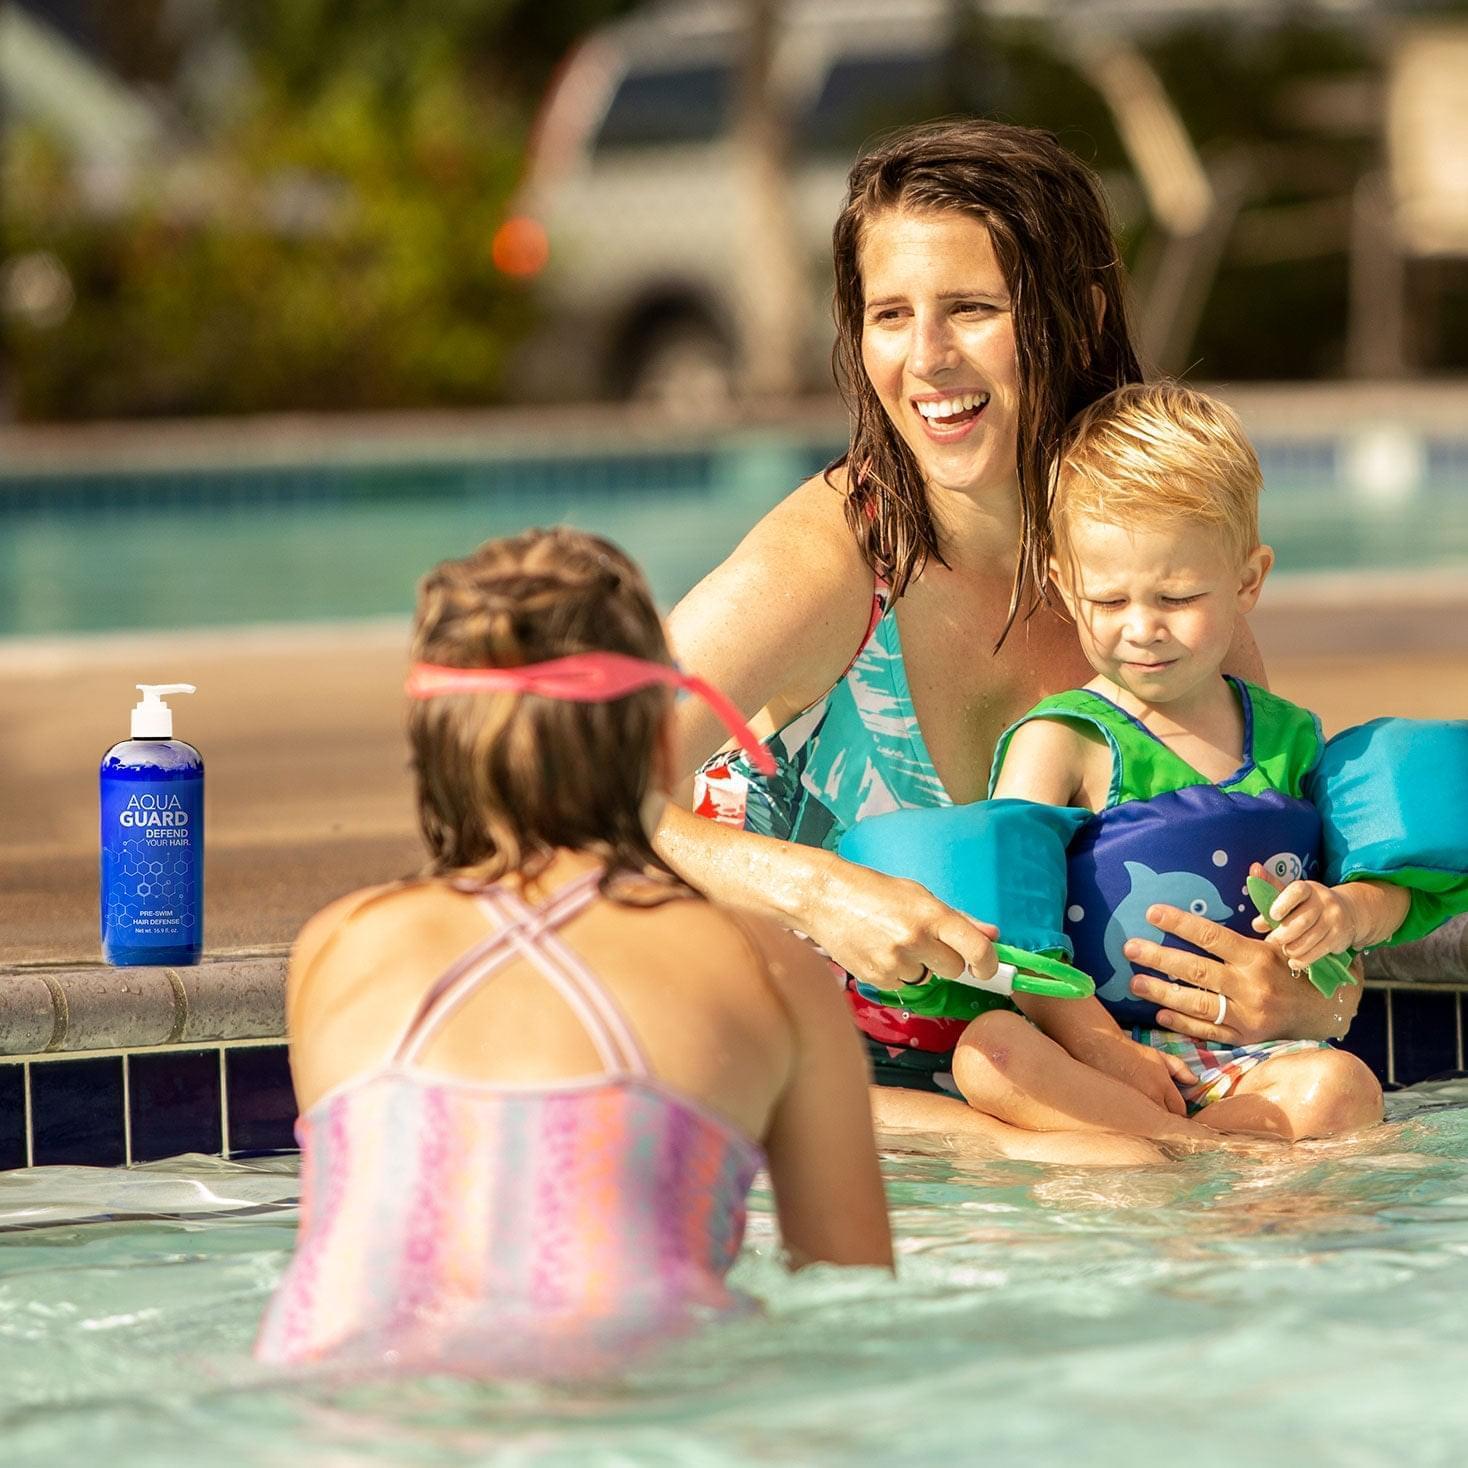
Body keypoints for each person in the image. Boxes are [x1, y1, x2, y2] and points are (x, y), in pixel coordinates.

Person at [658, 120, 1362, 1160]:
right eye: (890, 315)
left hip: (1092, 1087)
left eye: (972, 309)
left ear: (1074, 318)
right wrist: (817, 886)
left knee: (1331, 1114)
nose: (927, 359)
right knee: (1110, 1165)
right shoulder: (830, 566)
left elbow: (1291, 909)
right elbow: (546, 795)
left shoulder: (1154, 579)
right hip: (819, 1086)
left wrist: (1300, 1000)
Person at [256, 527, 892, 1378]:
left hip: (332, 1416)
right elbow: (853, 1298)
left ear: (434, 747)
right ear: (659, 740)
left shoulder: (336, 947)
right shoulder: (765, 967)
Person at [984, 382, 1388, 1141]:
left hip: (1248, 1058)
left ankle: (1173, 1153)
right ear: (1066, 589)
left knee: (1341, 1087)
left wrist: (1327, 932)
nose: (1142, 629)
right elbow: (1014, 931)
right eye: (1109, 601)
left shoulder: (1287, 739)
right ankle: (1197, 1154)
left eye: (1176, 598)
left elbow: (1337, 957)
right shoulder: (1063, 740)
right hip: (1091, 1049)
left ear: (1247, 581)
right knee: (989, 1053)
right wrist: (1103, 1048)